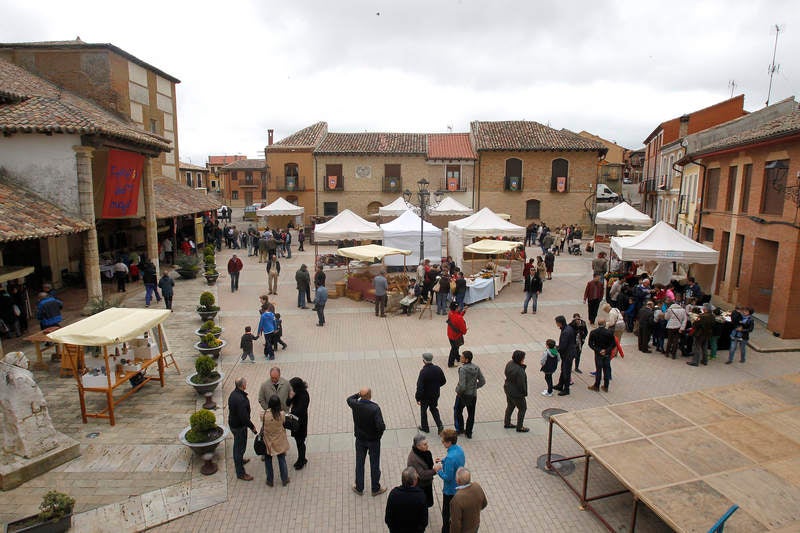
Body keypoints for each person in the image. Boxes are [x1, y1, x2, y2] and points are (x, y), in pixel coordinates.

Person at [347, 387, 387, 496]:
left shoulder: (355, 404)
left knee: (359, 463)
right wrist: (378, 436)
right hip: (373, 441)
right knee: (374, 464)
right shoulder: (375, 408)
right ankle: (375, 488)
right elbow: (381, 426)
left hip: (360, 439)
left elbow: (349, 399)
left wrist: (358, 394)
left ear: (361, 395)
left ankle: (359, 487)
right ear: (370, 395)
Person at [434, 429, 465, 533]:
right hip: (459, 486)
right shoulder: (459, 449)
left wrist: (438, 470)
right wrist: (443, 460)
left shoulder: (450, 458)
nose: (442, 443)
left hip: (450, 490)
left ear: (449, 442)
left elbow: (448, 477)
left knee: (446, 513)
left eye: (443, 441)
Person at [227, 377, 258, 481]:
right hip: (239, 427)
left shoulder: (233, 394)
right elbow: (244, 417)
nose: (246, 384)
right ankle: (240, 473)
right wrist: (252, 427)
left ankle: (240, 460)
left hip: (233, 424)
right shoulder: (241, 399)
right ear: (243, 385)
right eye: (245, 383)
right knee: (239, 448)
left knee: (239, 446)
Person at [384, 467, 428, 533]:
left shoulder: (393, 494)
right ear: (414, 481)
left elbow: (388, 517)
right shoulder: (420, 496)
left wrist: (392, 529)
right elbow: (424, 520)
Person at [453, 351, 485, 439]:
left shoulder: (463, 369)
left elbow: (462, 385)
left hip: (462, 395)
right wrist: (474, 387)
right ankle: (469, 432)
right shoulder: (476, 368)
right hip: (473, 395)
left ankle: (460, 429)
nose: (460, 357)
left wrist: (457, 390)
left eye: (462, 357)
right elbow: (482, 381)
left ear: (466, 360)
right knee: (471, 414)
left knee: (457, 410)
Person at [262, 394, 291, 487]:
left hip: (268, 440)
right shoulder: (281, 415)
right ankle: (284, 479)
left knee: (268, 460)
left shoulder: (264, 414)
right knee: (281, 459)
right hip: (279, 440)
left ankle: (270, 480)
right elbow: (284, 422)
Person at [449, 467, 488, 533]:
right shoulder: (477, 486)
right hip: (475, 526)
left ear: (458, 481)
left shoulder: (456, 500)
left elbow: (456, 523)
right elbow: (484, 504)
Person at [416, 353, 447, 434]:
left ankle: (425, 427)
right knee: (433, 409)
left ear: (424, 361)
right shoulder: (438, 369)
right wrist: (436, 386)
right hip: (435, 394)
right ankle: (439, 425)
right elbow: (444, 381)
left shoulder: (423, 372)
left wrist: (418, 398)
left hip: (425, 396)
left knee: (423, 411)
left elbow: (419, 386)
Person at [407, 434, 436, 509]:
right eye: (425, 444)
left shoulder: (423, 452)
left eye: (427, 443)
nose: (427, 446)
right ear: (418, 446)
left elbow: (428, 464)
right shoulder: (414, 459)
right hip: (421, 485)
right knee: (423, 503)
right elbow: (422, 474)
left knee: (426, 502)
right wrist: (435, 470)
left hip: (426, 483)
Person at [503, 350, 529, 432]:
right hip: (517, 393)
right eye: (523, 358)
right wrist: (524, 393)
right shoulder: (519, 370)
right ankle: (520, 427)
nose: (524, 359)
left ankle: (507, 422)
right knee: (522, 408)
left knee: (510, 406)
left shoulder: (510, 363)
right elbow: (521, 384)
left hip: (508, 388)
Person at [287, 377, 310, 470]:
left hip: (301, 422)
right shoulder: (296, 393)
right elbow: (288, 403)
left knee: (300, 441)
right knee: (298, 441)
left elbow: (300, 410)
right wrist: (290, 397)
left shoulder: (304, 396)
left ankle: (302, 459)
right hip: (295, 421)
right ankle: (302, 458)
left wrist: (290, 414)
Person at [587, 319, 616, 392]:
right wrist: (606, 350)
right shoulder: (609, 332)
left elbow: (590, 344)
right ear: (605, 324)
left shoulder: (593, 332)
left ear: (598, 324)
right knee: (606, 369)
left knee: (598, 369)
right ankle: (606, 386)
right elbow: (613, 344)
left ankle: (596, 386)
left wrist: (598, 350)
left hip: (598, 354)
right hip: (607, 354)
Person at [553, 315, 576, 396]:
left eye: (556, 322)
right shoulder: (568, 328)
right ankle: (560, 385)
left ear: (560, 323)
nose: (556, 324)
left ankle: (566, 389)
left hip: (568, 354)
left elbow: (563, 346)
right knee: (563, 369)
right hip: (568, 352)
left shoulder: (566, 331)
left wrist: (556, 349)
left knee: (566, 371)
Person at [446, 302, 467, 368]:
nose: (459, 308)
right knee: (454, 349)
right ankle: (450, 363)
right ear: (456, 309)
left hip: (450, 334)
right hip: (456, 336)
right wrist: (465, 330)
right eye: (458, 307)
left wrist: (463, 312)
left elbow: (457, 315)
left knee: (455, 347)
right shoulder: (459, 318)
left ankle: (457, 357)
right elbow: (463, 330)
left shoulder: (450, 313)